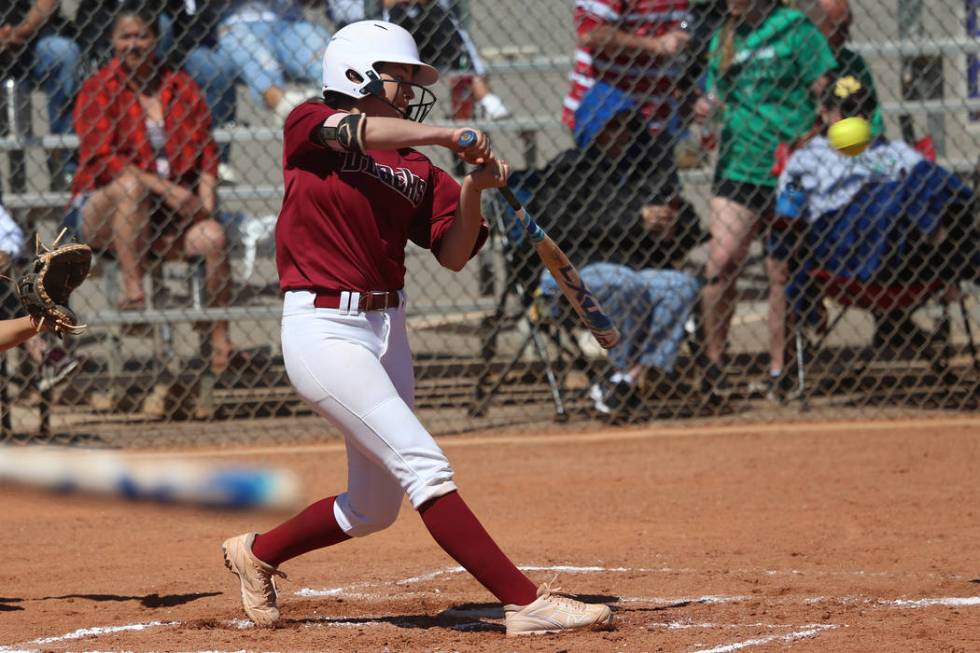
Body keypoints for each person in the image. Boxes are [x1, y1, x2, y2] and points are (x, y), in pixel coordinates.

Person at [220, 20, 613, 636]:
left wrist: (473, 187)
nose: (410, 89)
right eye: (400, 77)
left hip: (386, 326)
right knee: (424, 465)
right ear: (357, 74)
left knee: (373, 508)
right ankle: (524, 602)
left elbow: (454, 253)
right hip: (323, 328)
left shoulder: (417, 168)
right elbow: (355, 131)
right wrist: (449, 132)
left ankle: (257, 554)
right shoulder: (308, 122)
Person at [70, 4, 237, 373]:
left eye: (141, 36)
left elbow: (208, 151)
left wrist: (204, 202)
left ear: (155, 40)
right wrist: (167, 190)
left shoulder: (180, 86)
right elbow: (101, 159)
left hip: (165, 215)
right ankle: (134, 295)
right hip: (104, 210)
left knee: (212, 237)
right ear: (113, 41)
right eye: (125, 37)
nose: (133, 44)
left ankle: (220, 336)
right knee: (131, 185)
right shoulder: (99, 87)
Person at [521, 81, 702, 419]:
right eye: (609, 126)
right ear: (592, 127)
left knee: (681, 285)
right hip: (580, 274)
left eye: (625, 125)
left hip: (640, 270)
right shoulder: (569, 169)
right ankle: (626, 376)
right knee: (623, 282)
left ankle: (624, 380)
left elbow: (691, 224)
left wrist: (674, 226)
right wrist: (634, 221)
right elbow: (554, 226)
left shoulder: (647, 167)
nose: (619, 134)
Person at [774, 75, 975, 362]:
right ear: (826, 113)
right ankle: (952, 229)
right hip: (844, 243)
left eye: (864, 110)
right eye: (848, 110)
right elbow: (786, 214)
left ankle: (951, 225)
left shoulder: (893, 151)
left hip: (904, 254)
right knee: (903, 191)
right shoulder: (804, 160)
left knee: (921, 176)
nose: (858, 117)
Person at [693, 0, 836, 396]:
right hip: (739, 166)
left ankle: (780, 370)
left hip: (789, 167)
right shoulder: (724, 36)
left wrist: (820, 130)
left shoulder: (794, 28)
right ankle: (714, 365)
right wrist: (706, 109)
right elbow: (716, 98)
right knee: (721, 262)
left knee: (781, 271)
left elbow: (827, 90)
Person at [562, 0, 693, 255]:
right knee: (602, 202)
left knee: (661, 210)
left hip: (657, 115)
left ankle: (652, 270)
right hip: (608, 118)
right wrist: (655, 45)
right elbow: (591, 33)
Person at [326, 0, 510, 120]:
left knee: (438, 12)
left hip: (433, 34)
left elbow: (458, 12)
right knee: (398, 9)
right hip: (390, 36)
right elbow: (370, 11)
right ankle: (484, 96)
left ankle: (483, 95)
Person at [0, 0, 80, 190]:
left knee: (64, 53)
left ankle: (66, 166)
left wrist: (20, 31)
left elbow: (47, 3)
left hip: (27, 41)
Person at [215, 0, 332, 122]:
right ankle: (287, 106)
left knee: (324, 54)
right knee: (257, 58)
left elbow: (315, 4)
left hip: (291, 21)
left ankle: (332, 101)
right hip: (237, 22)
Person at [797, 0, 883, 137]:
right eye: (839, 28)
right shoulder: (794, 63)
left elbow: (874, 120)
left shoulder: (852, 61)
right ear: (814, 27)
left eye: (847, 27)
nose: (847, 36)